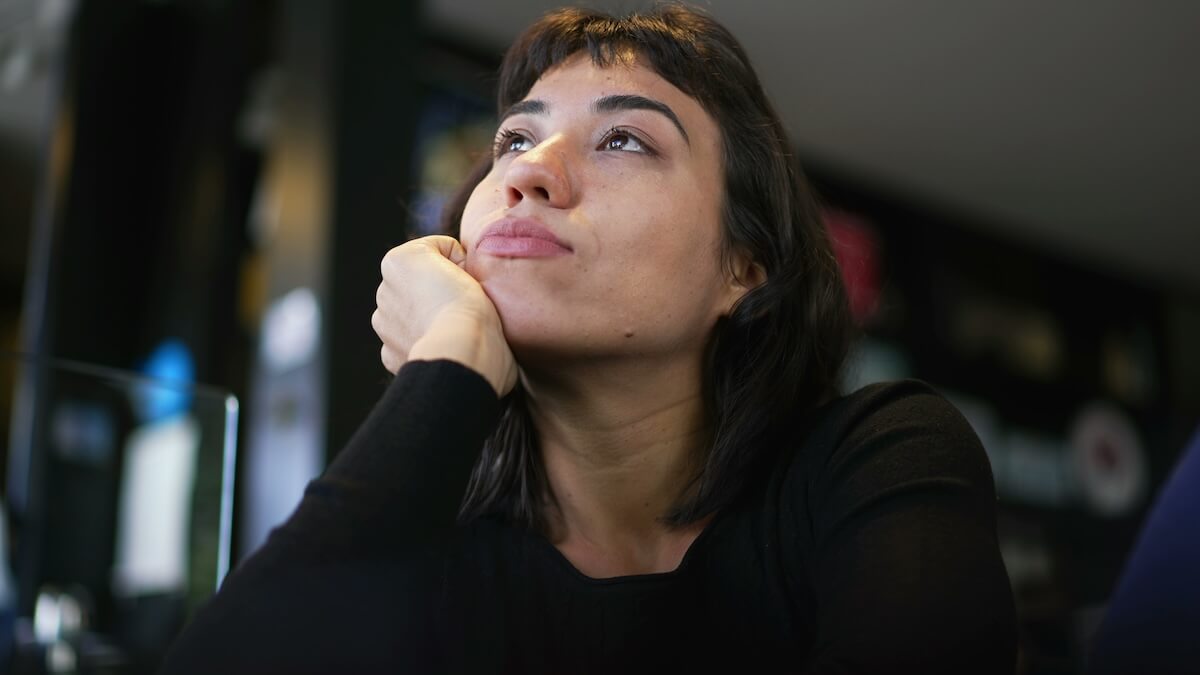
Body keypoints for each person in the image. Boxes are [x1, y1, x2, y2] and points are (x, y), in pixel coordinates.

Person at [161, 5, 1017, 673]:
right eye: (515, 139)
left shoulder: (876, 460)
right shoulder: (437, 547)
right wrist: (453, 355)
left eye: (623, 139)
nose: (530, 169)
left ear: (744, 265)